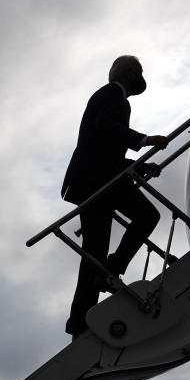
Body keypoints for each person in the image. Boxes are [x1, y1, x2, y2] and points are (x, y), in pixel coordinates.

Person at [61, 55, 168, 337]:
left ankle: (79, 324)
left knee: (92, 254)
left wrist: (142, 166)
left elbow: (106, 148)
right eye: (140, 71)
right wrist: (144, 141)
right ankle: (113, 267)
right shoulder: (113, 95)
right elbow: (107, 130)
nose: (142, 76)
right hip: (99, 180)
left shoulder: (113, 98)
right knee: (148, 215)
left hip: (92, 181)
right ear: (130, 73)